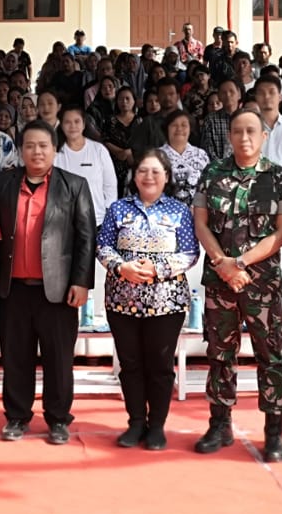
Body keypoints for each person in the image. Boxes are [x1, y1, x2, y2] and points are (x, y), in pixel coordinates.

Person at [191, 108, 282, 461]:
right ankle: (220, 423)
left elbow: (281, 234)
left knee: (271, 355)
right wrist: (222, 263)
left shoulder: (278, 177)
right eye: (238, 131)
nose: (245, 137)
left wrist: (240, 263)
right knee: (220, 352)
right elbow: (201, 223)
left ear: (264, 136)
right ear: (230, 135)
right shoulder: (212, 173)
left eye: (252, 131)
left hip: (261, 282)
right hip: (221, 281)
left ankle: (274, 431)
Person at [0, 121, 96, 446]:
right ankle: (17, 416)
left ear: (54, 149)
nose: (37, 151)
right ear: (21, 151)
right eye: (30, 146)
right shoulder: (5, 184)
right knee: (16, 357)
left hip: (59, 291)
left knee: (59, 359)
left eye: (43, 146)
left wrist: (81, 282)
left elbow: (86, 237)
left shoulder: (74, 185)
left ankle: (58, 418)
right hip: (14, 289)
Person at [95, 148, 198, 451]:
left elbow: (190, 253)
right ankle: (135, 421)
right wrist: (121, 267)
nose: (148, 176)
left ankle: (157, 426)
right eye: (143, 170)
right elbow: (103, 246)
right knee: (131, 364)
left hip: (166, 303)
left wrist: (160, 269)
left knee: (161, 365)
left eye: (156, 171)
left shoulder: (179, 211)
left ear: (166, 176)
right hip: (122, 301)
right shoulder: (117, 209)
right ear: (133, 175)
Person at [55, 106, 117, 224]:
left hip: (97, 219)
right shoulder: (56, 154)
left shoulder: (98, 150)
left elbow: (110, 185)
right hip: (66, 222)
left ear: (84, 124)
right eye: (67, 122)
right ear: (61, 126)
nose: (72, 126)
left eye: (77, 121)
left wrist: (109, 212)